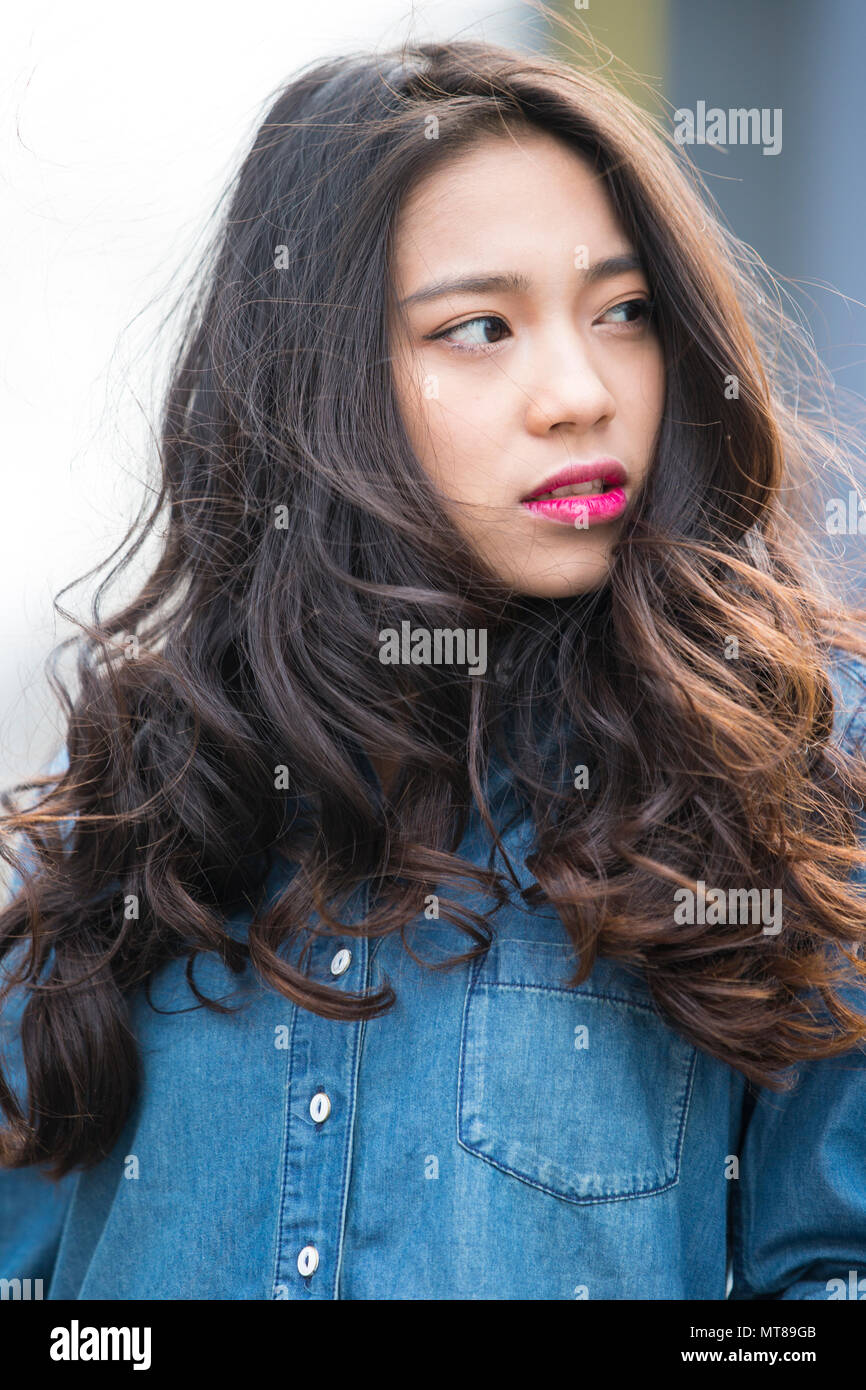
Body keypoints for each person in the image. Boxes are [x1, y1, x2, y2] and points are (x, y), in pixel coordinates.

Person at [2, 37, 866, 1301]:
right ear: (313, 383)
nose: (579, 393)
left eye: (622, 313)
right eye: (478, 327)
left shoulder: (778, 804)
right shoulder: (112, 849)